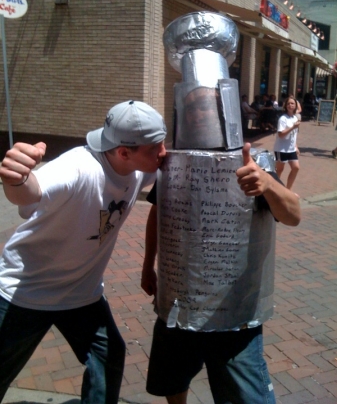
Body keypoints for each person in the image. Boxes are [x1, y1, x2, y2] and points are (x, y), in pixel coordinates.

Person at [0, 100, 167, 404]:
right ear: (124, 152)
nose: (163, 152)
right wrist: (17, 178)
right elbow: (31, 191)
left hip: (82, 294)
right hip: (25, 291)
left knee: (109, 355)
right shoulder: (79, 167)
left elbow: (177, 166)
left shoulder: (139, 169)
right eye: (155, 147)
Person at [141, 143, 301, 404]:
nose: (200, 113)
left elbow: (293, 215)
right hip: (179, 303)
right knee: (173, 377)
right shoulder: (176, 161)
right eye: (194, 105)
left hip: (235, 314)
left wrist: (268, 185)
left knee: (247, 396)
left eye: (208, 105)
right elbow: (159, 211)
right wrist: (148, 265)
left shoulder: (253, 163)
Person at [274, 96, 301, 190]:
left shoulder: (294, 118)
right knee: (279, 170)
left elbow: (294, 135)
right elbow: (281, 134)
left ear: (295, 105)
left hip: (291, 149)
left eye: (292, 103)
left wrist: (296, 146)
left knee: (296, 168)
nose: (290, 105)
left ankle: (288, 190)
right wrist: (293, 127)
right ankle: (275, 189)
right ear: (285, 106)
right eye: (288, 103)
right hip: (281, 148)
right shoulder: (283, 119)